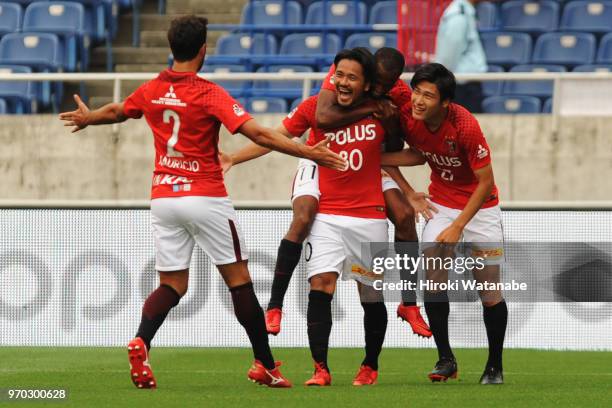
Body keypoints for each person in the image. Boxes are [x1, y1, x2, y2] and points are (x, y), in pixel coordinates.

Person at [58, 15, 345, 389]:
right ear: (203, 50)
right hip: (205, 195)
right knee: (239, 282)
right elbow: (259, 133)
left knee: (173, 284)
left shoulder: (152, 89)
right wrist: (310, 152)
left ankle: (141, 340)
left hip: (163, 197)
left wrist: (89, 117)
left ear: (171, 48)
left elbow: (118, 111)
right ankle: (265, 365)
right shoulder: (208, 93)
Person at [225, 47, 434, 339]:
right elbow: (289, 130)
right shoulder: (336, 85)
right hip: (318, 157)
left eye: (385, 85)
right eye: (376, 82)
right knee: (304, 216)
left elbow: (395, 149)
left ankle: (409, 303)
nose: (379, 88)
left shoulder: (394, 98)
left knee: (404, 214)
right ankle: (275, 305)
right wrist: (234, 158)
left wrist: (408, 189)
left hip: (363, 164)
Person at [382, 63, 507, 385]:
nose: (419, 100)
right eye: (417, 92)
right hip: (441, 204)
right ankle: (445, 359)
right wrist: (409, 192)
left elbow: (485, 183)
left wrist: (458, 226)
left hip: (481, 208)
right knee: (434, 278)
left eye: (428, 95)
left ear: (445, 102)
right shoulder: (409, 114)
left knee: (489, 291)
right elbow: (417, 154)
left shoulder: (465, 126)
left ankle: (494, 366)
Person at [434, 0, 488, 113]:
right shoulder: (459, 16)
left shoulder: (464, 12)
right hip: (461, 88)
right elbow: (449, 55)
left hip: (465, 85)